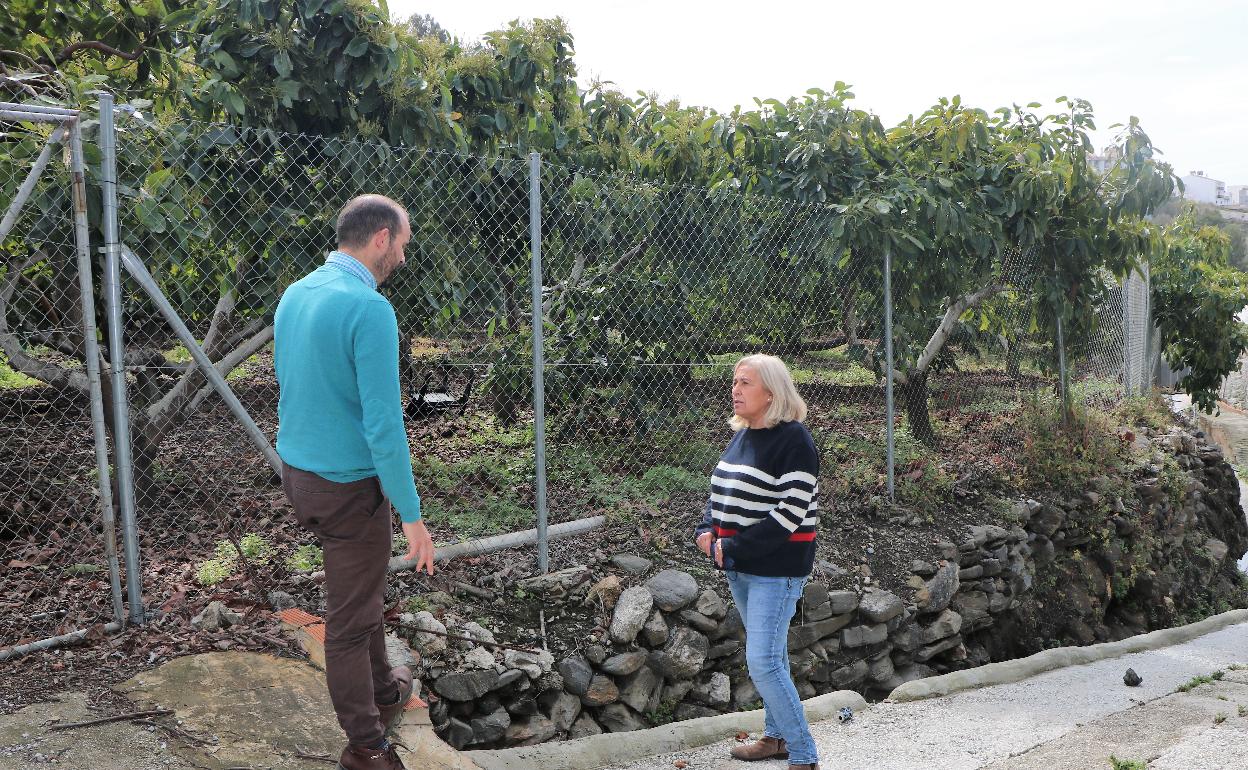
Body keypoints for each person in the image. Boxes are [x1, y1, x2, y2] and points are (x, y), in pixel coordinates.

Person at [275, 194, 436, 770]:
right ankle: (366, 746)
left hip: (299, 475)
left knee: (359, 589)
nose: (404, 253)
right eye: (403, 243)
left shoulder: (297, 293)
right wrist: (412, 516)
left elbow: (295, 385)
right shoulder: (370, 310)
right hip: (349, 490)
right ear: (380, 239)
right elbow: (384, 427)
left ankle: (387, 690)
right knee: (345, 623)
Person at [695, 354, 820, 770]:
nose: (735, 389)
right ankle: (776, 738)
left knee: (763, 661)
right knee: (774, 656)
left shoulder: (795, 441)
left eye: (745, 382)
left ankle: (803, 755)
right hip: (740, 567)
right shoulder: (744, 434)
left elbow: (788, 515)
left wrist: (733, 548)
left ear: (771, 392)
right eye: (734, 381)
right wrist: (706, 529)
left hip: (777, 570)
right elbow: (720, 492)